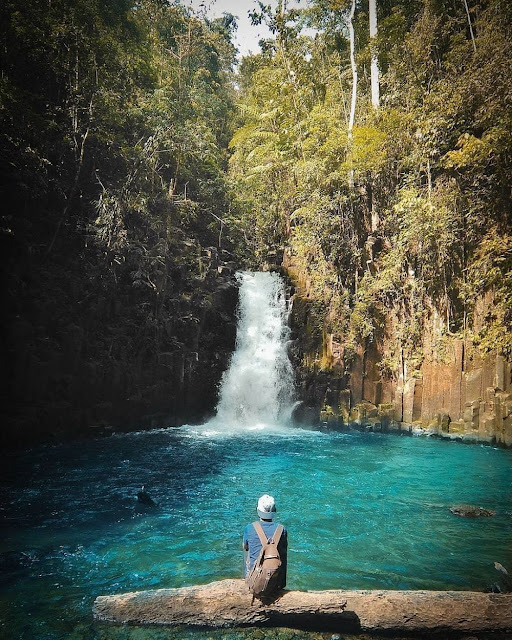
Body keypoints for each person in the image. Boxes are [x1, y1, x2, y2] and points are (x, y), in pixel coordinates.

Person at [243, 494, 288, 589]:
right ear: (274, 511)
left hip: (254, 582)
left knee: (247, 549)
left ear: (258, 510)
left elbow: (245, 547)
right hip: (276, 583)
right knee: (282, 552)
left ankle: (249, 578)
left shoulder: (249, 528)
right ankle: (278, 582)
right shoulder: (282, 529)